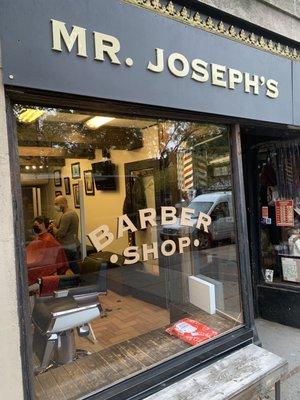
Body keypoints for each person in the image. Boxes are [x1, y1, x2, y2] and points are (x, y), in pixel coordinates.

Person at [26, 216, 69, 285]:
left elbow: (60, 261)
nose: (34, 227)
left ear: (43, 225)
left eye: (36, 225)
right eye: (34, 225)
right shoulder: (40, 238)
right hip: (36, 265)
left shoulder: (49, 241)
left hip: (42, 271)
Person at [50, 195, 81, 273]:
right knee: (74, 265)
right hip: (74, 244)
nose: (55, 206)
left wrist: (52, 228)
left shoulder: (67, 216)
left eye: (56, 204)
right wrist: (56, 224)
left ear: (63, 203)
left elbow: (61, 234)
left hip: (68, 247)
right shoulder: (72, 213)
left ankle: (81, 282)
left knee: (72, 266)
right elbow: (66, 227)